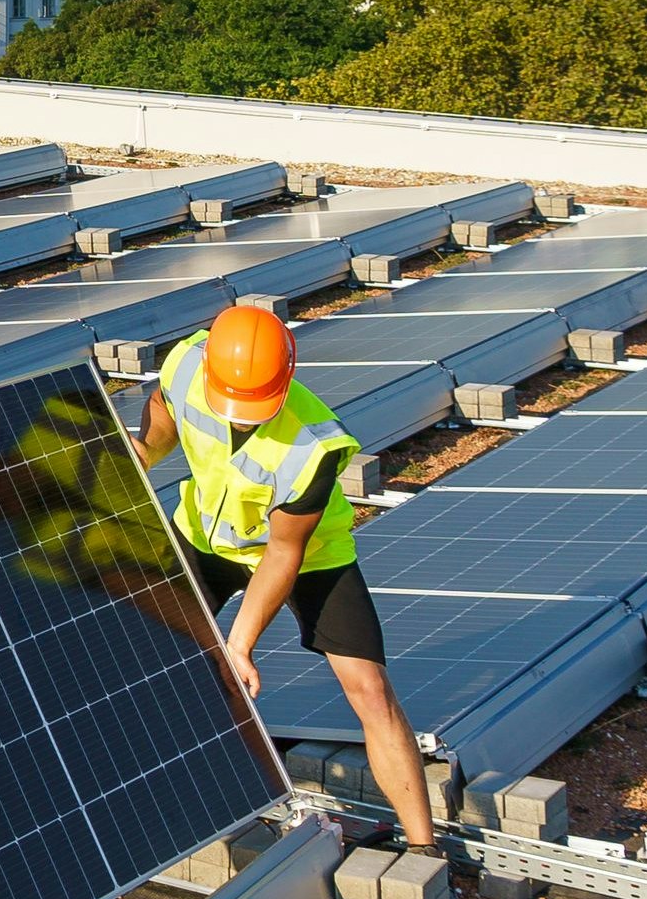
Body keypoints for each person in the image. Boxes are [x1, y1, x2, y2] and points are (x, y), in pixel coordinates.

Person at [129, 304, 441, 848]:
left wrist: (240, 645)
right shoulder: (185, 364)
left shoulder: (315, 445)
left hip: (309, 555)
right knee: (144, 657)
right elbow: (161, 413)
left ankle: (423, 845)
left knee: (369, 690)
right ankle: (161, 804)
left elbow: (282, 552)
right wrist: (142, 453)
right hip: (204, 536)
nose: (243, 419)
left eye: (256, 409)